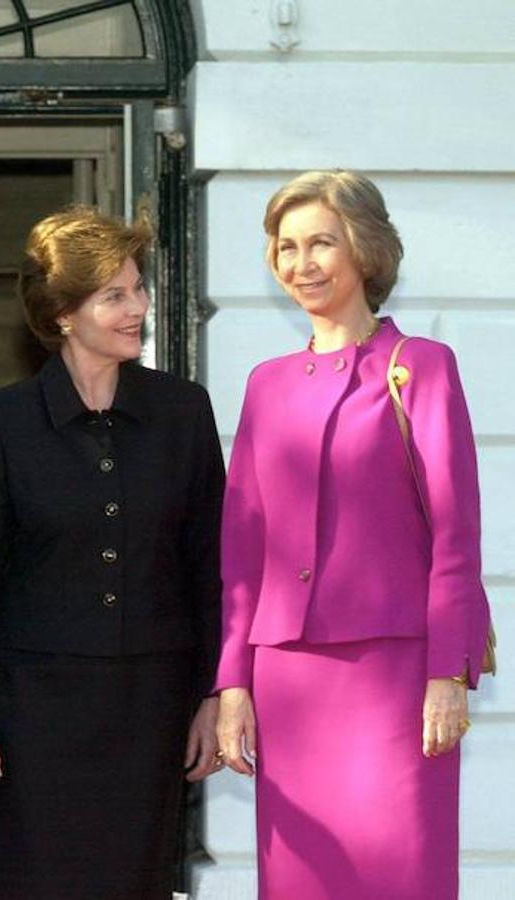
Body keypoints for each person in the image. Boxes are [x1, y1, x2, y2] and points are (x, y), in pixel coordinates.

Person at [214, 169, 490, 899]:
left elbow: (456, 536)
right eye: (284, 247)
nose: (300, 263)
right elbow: (242, 548)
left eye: (319, 243)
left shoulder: (421, 369)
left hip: (394, 676)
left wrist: (447, 673)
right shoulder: (264, 384)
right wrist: (232, 683)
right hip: (286, 675)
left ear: (364, 251)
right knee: (301, 877)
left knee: (404, 869)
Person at [0, 205, 225, 899]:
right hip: (31, 708)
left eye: (137, 288)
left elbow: (211, 565)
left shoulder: (183, 411)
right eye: (114, 295)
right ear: (64, 313)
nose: (139, 307)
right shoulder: (4, 419)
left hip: (152, 703)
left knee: (134, 877)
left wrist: (216, 694)